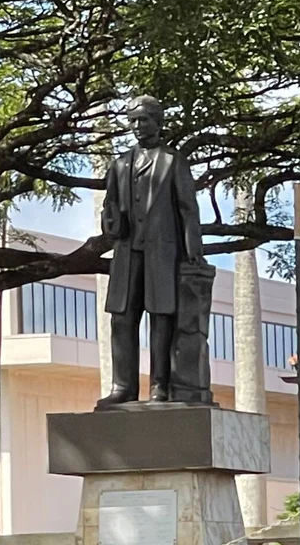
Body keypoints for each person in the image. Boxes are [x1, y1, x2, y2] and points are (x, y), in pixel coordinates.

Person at [97, 95, 204, 407]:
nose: (137, 126)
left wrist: (192, 251)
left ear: (158, 122)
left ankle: (160, 385)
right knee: (122, 319)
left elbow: (188, 210)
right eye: (132, 121)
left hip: (163, 254)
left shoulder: (174, 162)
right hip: (128, 254)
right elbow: (110, 207)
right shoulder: (119, 166)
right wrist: (111, 219)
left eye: (144, 120)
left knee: (161, 319)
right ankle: (123, 387)